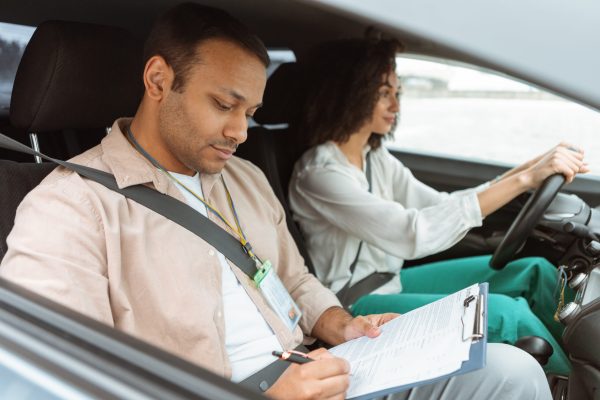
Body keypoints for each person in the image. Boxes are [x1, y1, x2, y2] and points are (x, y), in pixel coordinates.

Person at [0, 4, 552, 399]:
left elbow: (294, 277)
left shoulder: (243, 178)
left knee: (511, 371)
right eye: (224, 104)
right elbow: (60, 384)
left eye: (253, 113)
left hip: (320, 364)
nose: (241, 131)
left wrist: (339, 323)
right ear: (158, 80)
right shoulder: (70, 210)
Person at [288, 38, 589, 376]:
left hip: (393, 279)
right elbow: (411, 233)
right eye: (384, 92)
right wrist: (524, 179)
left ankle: (587, 359)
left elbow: (442, 205)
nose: (395, 106)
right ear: (350, 92)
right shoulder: (320, 174)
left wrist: (530, 170)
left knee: (536, 271)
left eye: (397, 93)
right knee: (506, 314)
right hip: (354, 304)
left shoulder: (375, 159)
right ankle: (579, 387)